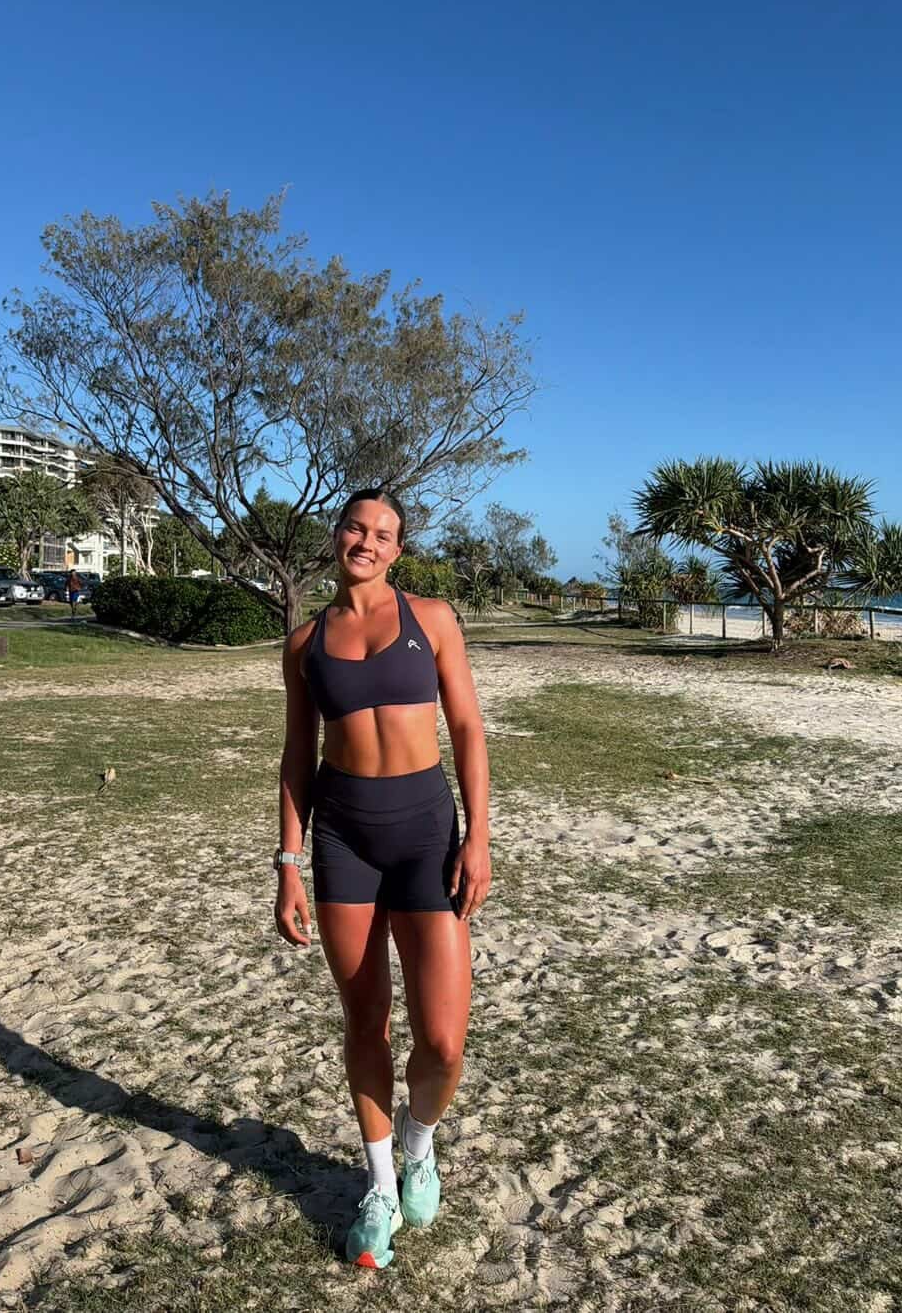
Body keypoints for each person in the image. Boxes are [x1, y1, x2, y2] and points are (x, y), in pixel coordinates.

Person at [276, 488, 492, 1270]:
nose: (366, 542)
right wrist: (288, 863)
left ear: (399, 550)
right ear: (337, 536)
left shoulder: (431, 620)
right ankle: (378, 1186)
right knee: (365, 1022)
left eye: (383, 534)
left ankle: (420, 1144)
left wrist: (478, 838)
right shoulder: (305, 643)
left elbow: (466, 727)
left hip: (427, 835)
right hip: (344, 840)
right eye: (356, 528)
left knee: (443, 1041)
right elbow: (298, 754)